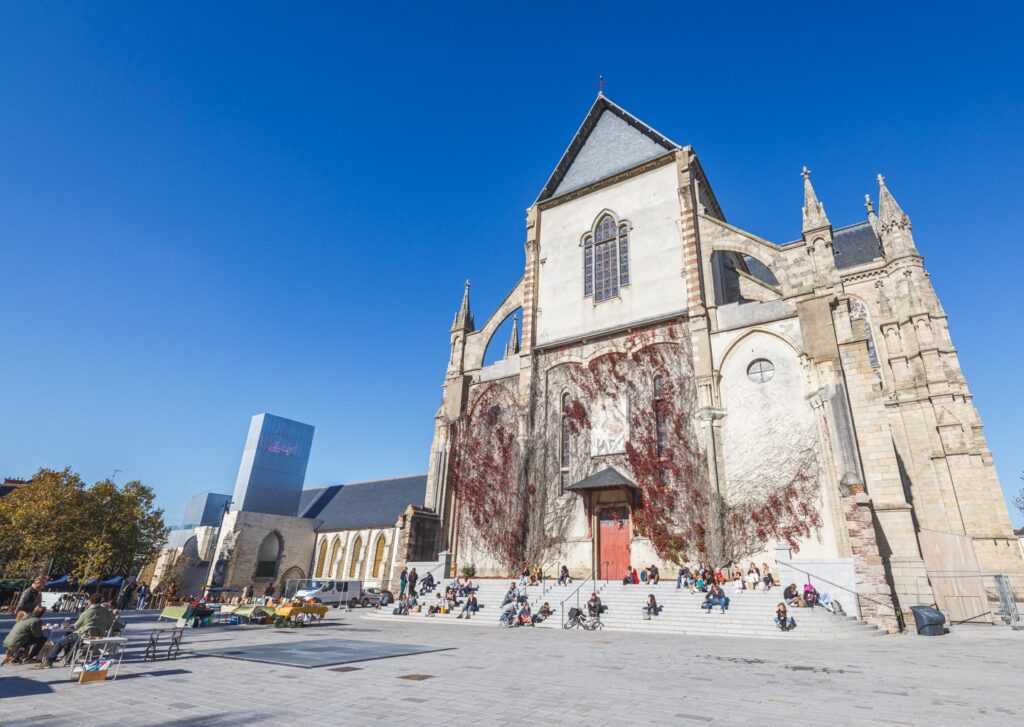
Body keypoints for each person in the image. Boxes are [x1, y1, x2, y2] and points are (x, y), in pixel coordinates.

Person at [38, 594, 115, 668]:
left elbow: (76, 625)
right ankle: (67, 658)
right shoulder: (106, 611)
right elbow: (109, 625)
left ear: (90, 602)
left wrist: (69, 625)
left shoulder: (88, 612)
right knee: (71, 639)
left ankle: (48, 662)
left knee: (59, 643)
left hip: (84, 634)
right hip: (98, 635)